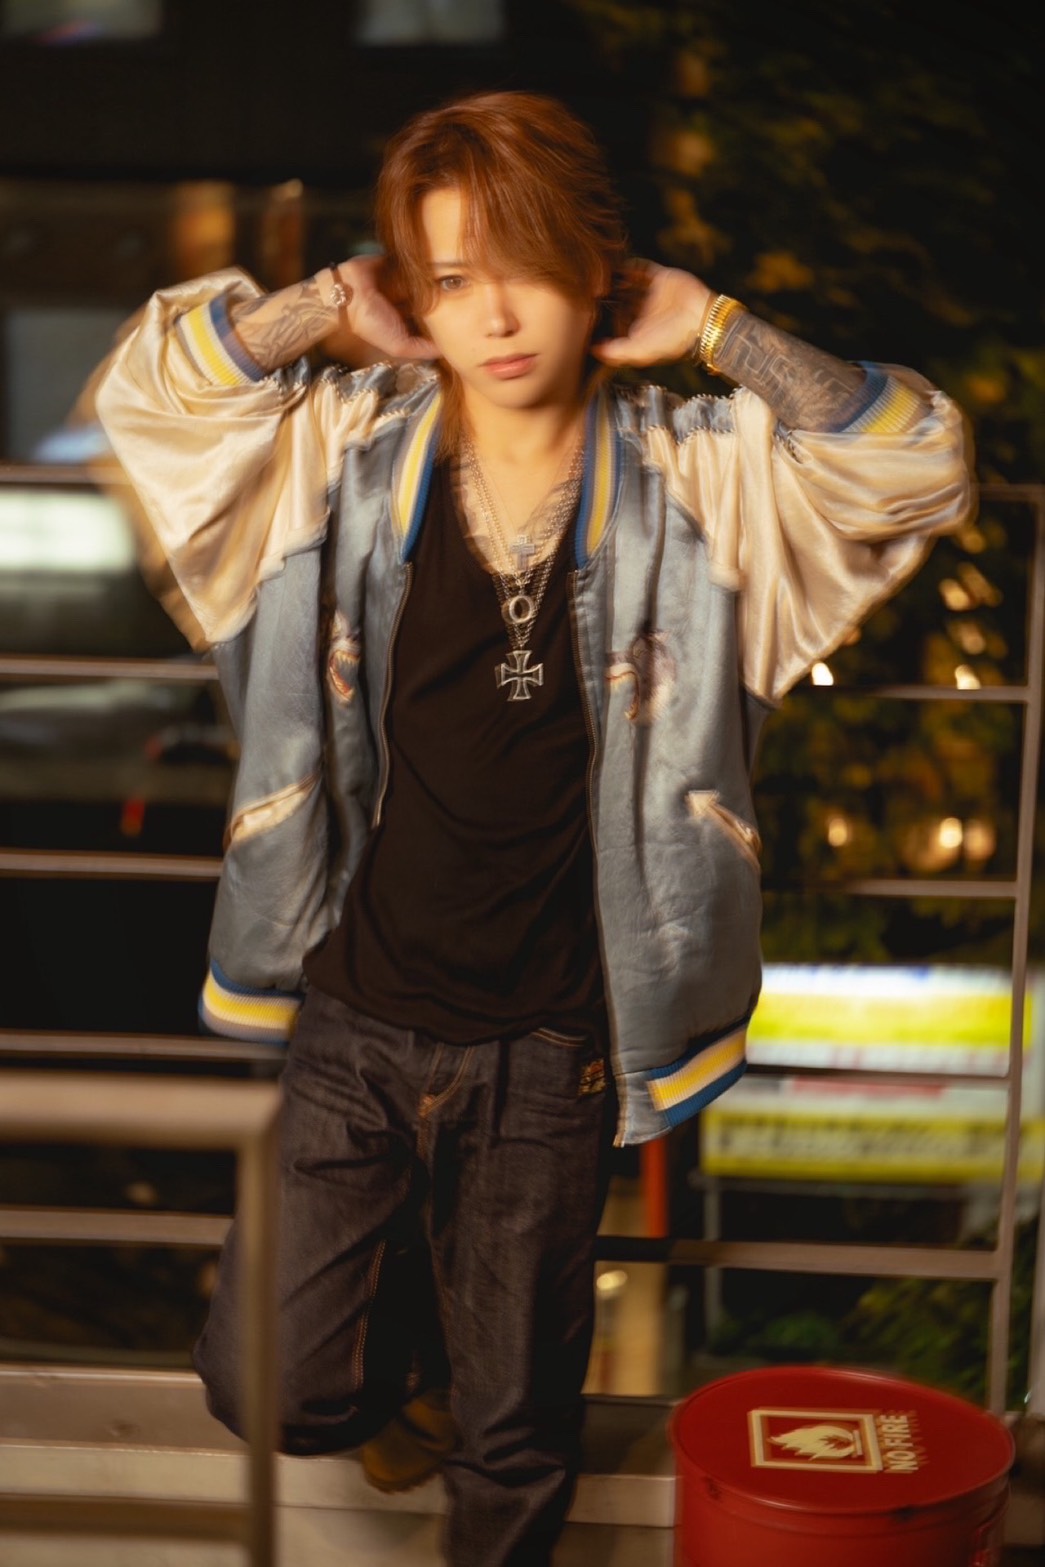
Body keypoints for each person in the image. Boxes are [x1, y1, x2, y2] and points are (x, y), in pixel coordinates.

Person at [83, 89, 974, 1566]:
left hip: (555, 1044)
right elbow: (150, 398)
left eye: (527, 268)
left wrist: (720, 328)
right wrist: (325, 304)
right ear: (416, 297)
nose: (492, 318)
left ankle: (459, 1383)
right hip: (358, 1012)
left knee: (514, 1442)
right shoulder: (346, 454)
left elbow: (915, 458)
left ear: (595, 269)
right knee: (273, 1380)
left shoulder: (699, 476)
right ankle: (402, 1361)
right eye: (449, 280)